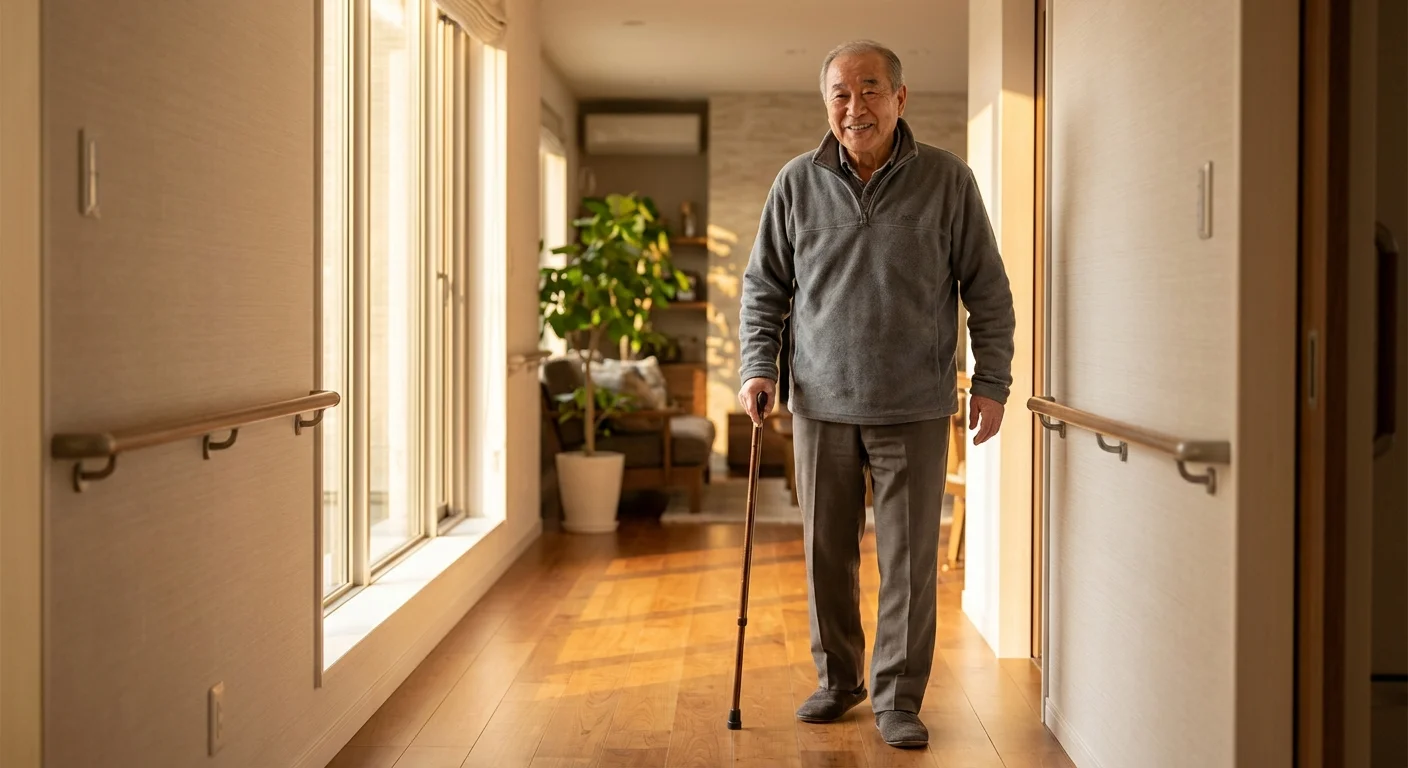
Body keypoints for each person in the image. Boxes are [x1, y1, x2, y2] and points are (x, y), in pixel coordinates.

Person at [736, 39, 1016, 748]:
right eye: (839, 92)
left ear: (900, 98)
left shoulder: (948, 182)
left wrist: (992, 381)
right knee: (827, 554)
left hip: (916, 404)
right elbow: (763, 286)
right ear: (826, 102)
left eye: (869, 89)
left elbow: (988, 288)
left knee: (910, 563)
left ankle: (898, 696)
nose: (853, 106)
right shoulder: (795, 183)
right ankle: (838, 681)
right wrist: (756, 367)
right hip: (821, 403)